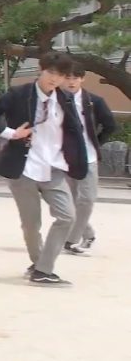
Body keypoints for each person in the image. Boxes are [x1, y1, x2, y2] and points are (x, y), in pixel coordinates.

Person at [0, 51, 85, 287]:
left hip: (53, 167)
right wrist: (10, 133)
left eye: (60, 75)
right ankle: (40, 267)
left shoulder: (65, 99)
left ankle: (42, 267)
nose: (54, 79)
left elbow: (74, 130)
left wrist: (76, 157)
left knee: (67, 216)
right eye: (51, 72)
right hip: (23, 167)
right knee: (31, 223)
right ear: (40, 70)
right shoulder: (19, 94)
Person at [62, 67, 116, 254]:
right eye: (67, 77)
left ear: (82, 79)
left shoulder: (94, 101)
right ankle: (88, 234)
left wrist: (96, 143)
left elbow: (110, 124)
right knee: (68, 201)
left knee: (86, 199)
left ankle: (72, 239)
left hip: (88, 157)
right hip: (64, 157)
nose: (71, 81)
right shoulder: (55, 100)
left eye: (75, 77)